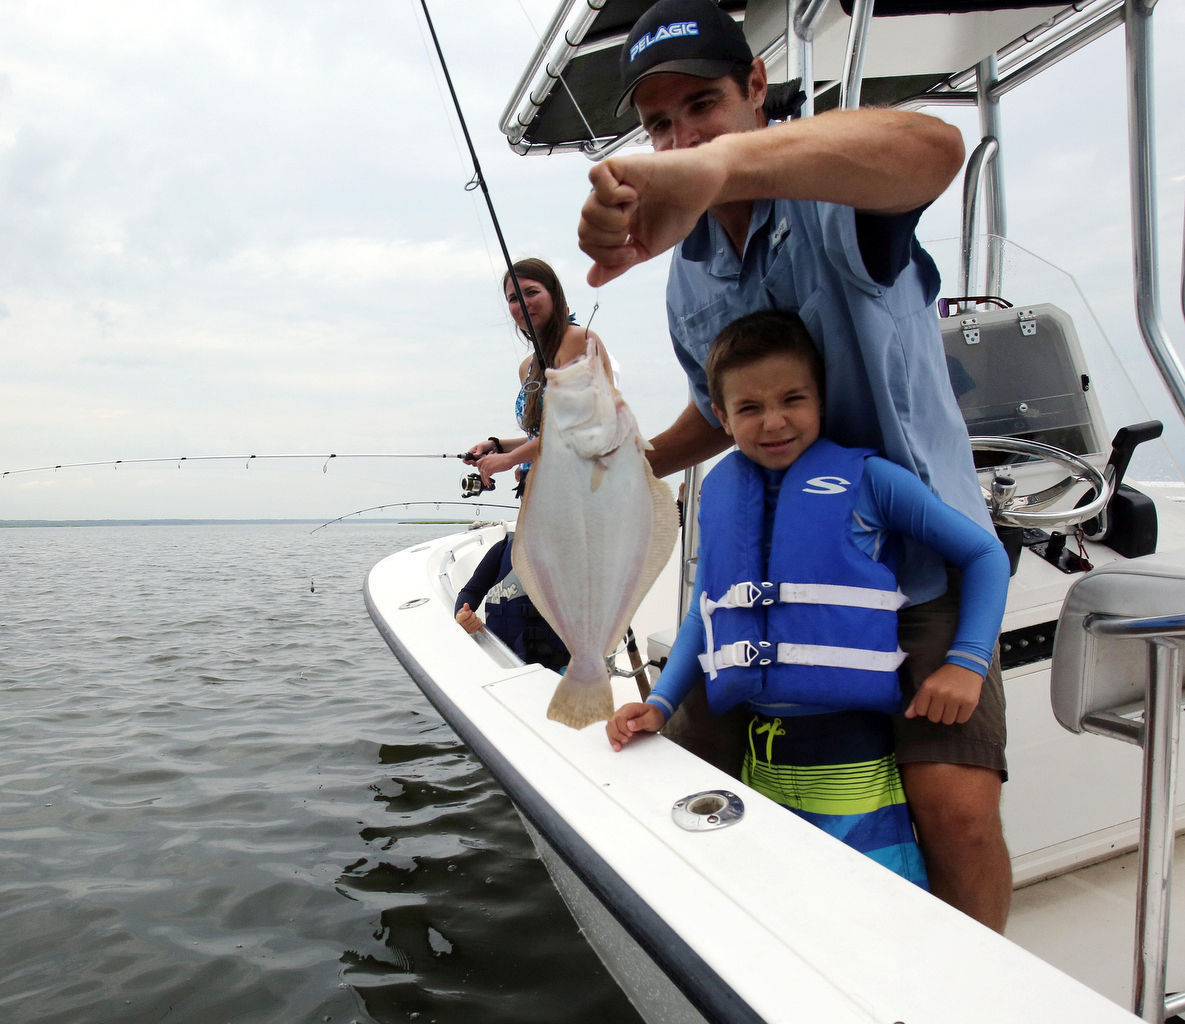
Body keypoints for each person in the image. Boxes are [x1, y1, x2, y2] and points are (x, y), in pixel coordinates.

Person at [578, 0, 1013, 930]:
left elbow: (933, 147)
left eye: (701, 105)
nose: (681, 135)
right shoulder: (686, 268)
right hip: (779, 584)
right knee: (675, 781)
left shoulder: (838, 201)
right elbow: (716, 405)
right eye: (659, 126)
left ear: (756, 89)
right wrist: (632, 465)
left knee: (955, 812)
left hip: (919, 576)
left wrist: (717, 165)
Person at [606, 310, 1009, 890]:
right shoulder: (719, 490)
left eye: (793, 399)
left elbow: (985, 556)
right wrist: (662, 703)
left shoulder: (871, 480)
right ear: (720, 416)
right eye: (748, 409)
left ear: (821, 397)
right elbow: (705, 609)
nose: (774, 422)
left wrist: (966, 664)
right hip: (763, 761)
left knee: (878, 905)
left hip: (854, 765)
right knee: (785, 897)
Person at [463, 258, 614, 496]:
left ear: (555, 297)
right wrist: (499, 446)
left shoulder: (578, 339)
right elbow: (541, 438)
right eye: (514, 298)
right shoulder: (527, 367)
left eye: (531, 292)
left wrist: (510, 459)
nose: (522, 303)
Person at [455, 531, 569, 672]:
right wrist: (463, 614)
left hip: (560, 671)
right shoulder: (502, 550)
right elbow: (472, 591)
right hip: (502, 661)